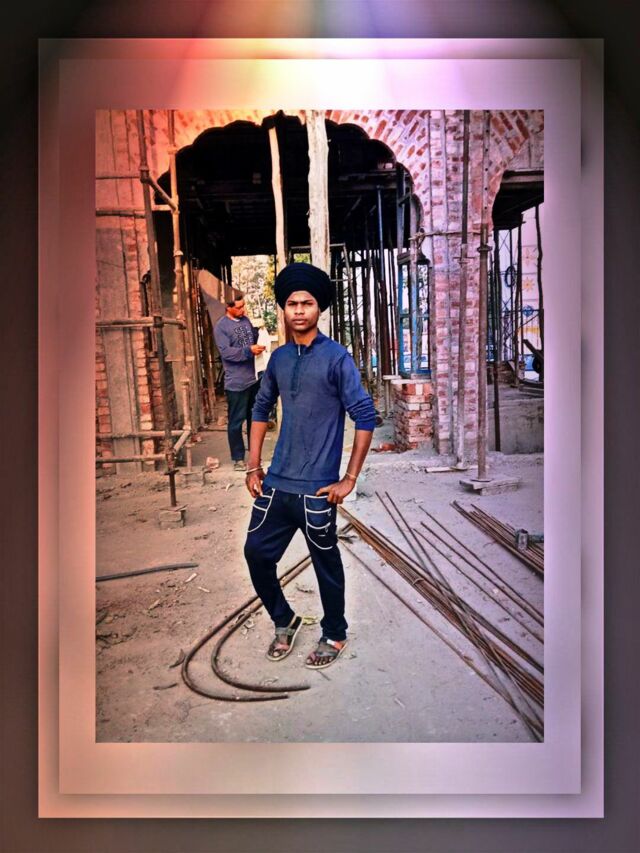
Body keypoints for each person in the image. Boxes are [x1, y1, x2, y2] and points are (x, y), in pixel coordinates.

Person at [243, 262, 376, 670]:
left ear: (319, 308)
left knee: (326, 565)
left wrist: (349, 478)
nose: (299, 310)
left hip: (318, 489)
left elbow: (364, 415)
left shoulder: (337, 358)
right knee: (256, 554)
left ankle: (334, 632)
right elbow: (261, 407)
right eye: (292, 303)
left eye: (307, 303)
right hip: (277, 484)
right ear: (283, 309)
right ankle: (284, 619)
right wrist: (253, 465)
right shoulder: (280, 359)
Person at [213, 293, 266, 471]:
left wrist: (260, 334)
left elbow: (251, 339)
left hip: (253, 379)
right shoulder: (221, 327)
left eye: (243, 306)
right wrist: (248, 351)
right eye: (238, 307)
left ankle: (254, 455)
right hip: (236, 382)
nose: (243, 310)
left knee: (254, 419)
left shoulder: (245, 321)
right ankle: (237, 458)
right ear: (228, 308)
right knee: (236, 422)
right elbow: (226, 353)